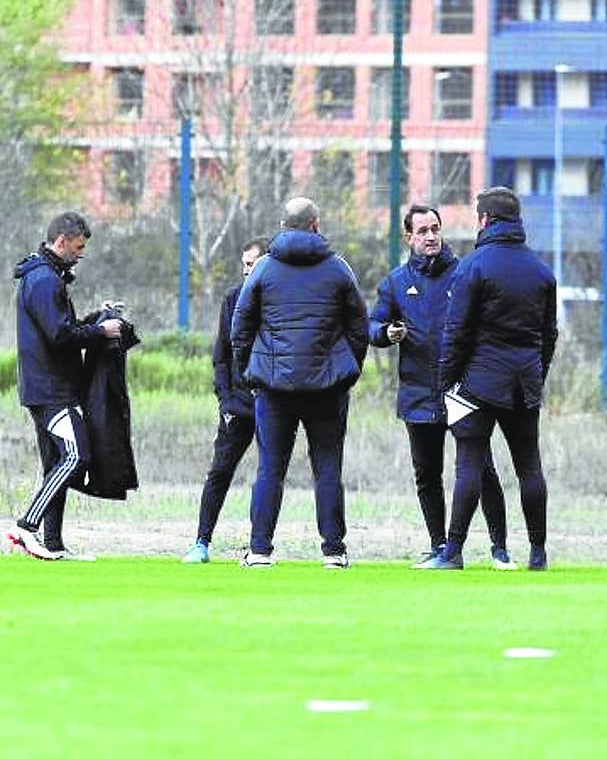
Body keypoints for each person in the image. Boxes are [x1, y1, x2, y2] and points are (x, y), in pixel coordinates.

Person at [369, 204, 514, 570]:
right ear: (408, 238)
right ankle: (440, 545)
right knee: (427, 475)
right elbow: (372, 326)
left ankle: (500, 548)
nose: (431, 236)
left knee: (482, 469)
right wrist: (386, 333)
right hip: (418, 392)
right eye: (423, 231)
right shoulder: (396, 283)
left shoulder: (465, 273)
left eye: (435, 228)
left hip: (464, 391)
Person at [231, 197, 368, 569]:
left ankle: (259, 550)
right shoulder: (338, 269)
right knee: (327, 467)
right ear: (316, 225)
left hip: (273, 388)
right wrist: (346, 370)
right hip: (328, 387)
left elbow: (240, 328)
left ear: (282, 225)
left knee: (270, 468)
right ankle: (334, 551)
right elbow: (359, 327)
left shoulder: (263, 269)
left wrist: (252, 371)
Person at [431, 187, 557, 571]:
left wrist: (445, 382)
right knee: (529, 467)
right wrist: (538, 375)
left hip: (479, 382)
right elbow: (549, 334)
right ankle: (538, 554)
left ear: (484, 220)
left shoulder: (474, 265)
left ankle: (453, 552)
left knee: (469, 464)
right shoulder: (541, 270)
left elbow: (458, 331)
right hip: (524, 383)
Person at [6, 211, 122, 560]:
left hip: (43, 387)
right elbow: (59, 336)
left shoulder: (44, 277)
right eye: (79, 246)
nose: (81, 253)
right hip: (51, 390)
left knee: (55, 463)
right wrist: (102, 332)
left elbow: (59, 327)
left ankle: (52, 542)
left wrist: (92, 319)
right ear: (61, 241)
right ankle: (25, 528)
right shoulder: (44, 280)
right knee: (75, 456)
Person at [182, 237, 268, 564]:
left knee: (267, 474)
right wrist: (225, 398)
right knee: (220, 471)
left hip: (271, 403)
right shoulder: (232, 299)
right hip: (237, 404)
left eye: (252, 264)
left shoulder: (278, 299)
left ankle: (258, 547)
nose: (246, 271)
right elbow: (221, 355)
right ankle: (201, 542)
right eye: (243, 264)